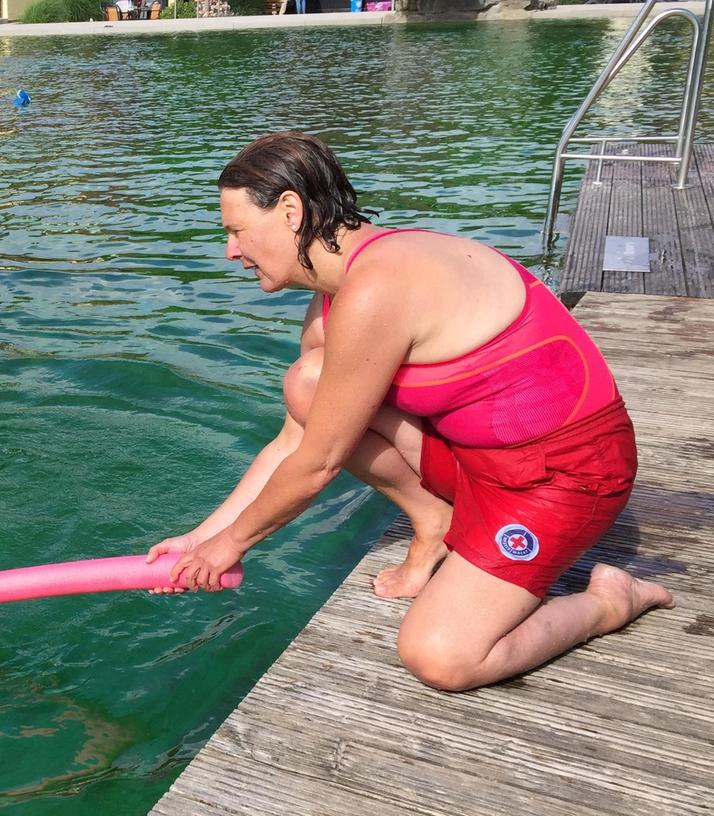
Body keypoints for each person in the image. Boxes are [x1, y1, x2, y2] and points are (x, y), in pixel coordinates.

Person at [146, 131, 673, 692]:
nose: (230, 251)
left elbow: (318, 464)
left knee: (442, 657)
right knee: (310, 382)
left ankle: (608, 602)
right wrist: (201, 538)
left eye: (235, 231)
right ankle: (436, 520)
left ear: (291, 210)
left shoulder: (379, 288)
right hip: (478, 460)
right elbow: (294, 441)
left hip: (563, 477)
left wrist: (231, 546)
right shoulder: (336, 293)